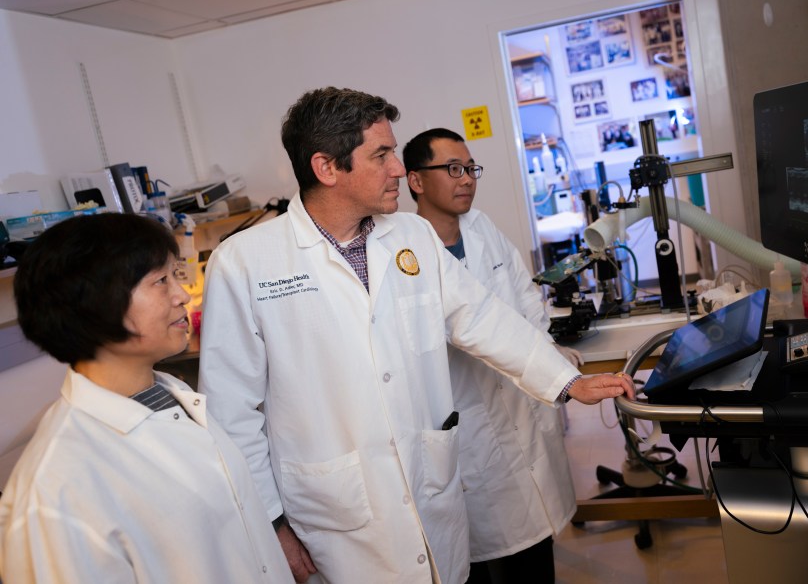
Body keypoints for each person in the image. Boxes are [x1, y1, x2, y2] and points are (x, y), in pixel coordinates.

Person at [198, 87, 635, 584]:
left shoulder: (410, 236)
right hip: (334, 520)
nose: (395, 170)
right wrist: (272, 523)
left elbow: (482, 317)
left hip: (430, 494)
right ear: (326, 167)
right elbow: (232, 414)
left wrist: (565, 382)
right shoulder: (247, 262)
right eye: (380, 155)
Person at [0, 213, 291, 583]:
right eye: (160, 281)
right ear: (96, 304)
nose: (182, 294)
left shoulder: (172, 395)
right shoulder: (57, 490)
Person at [403, 128, 580, 583]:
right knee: (481, 556)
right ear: (416, 181)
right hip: (470, 422)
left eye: (470, 169)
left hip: (523, 400)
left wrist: (549, 362)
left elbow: (526, 302)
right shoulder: (407, 254)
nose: (466, 179)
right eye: (452, 169)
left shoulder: (482, 227)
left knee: (536, 551)